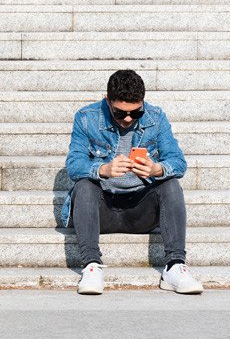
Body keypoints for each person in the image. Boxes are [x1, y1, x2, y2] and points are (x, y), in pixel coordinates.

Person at [63, 70, 203, 295]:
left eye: (135, 113)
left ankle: (174, 265)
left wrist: (157, 169)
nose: (128, 119)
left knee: (170, 183)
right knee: (84, 185)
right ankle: (91, 265)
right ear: (108, 101)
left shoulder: (156, 118)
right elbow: (73, 165)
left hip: (141, 210)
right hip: (101, 209)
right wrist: (103, 169)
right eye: (120, 113)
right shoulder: (86, 117)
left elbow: (178, 161)